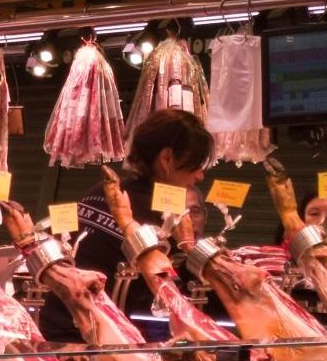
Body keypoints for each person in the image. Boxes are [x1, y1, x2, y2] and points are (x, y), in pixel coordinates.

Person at [38, 108, 213, 346]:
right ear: (167, 158)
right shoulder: (165, 214)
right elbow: (174, 289)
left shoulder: (101, 190)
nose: (200, 175)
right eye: (195, 165)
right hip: (100, 336)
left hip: (56, 323)